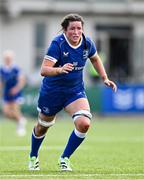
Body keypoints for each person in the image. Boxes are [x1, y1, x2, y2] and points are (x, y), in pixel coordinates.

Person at [28, 14, 117, 171]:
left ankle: (64, 158)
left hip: (74, 91)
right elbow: (44, 70)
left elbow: (95, 59)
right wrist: (60, 70)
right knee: (42, 126)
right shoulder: (57, 44)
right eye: (72, 29)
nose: (76, 32)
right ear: (65, 29)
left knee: (84, 123)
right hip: (52, 92)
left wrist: (104, 77)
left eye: (79, 28)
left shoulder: (87, 42)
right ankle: (33, 156)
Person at [0, 50, 27, 136]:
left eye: (9, 58)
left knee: (15, 110)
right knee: (6, 113)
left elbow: (22, 80)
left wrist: (16, 88)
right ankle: (21, 120)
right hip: (6, 93)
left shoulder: (16, 69)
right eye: (6, 58)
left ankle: (21, 127)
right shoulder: (2, 69)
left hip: (15, 93)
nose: (7, 60)